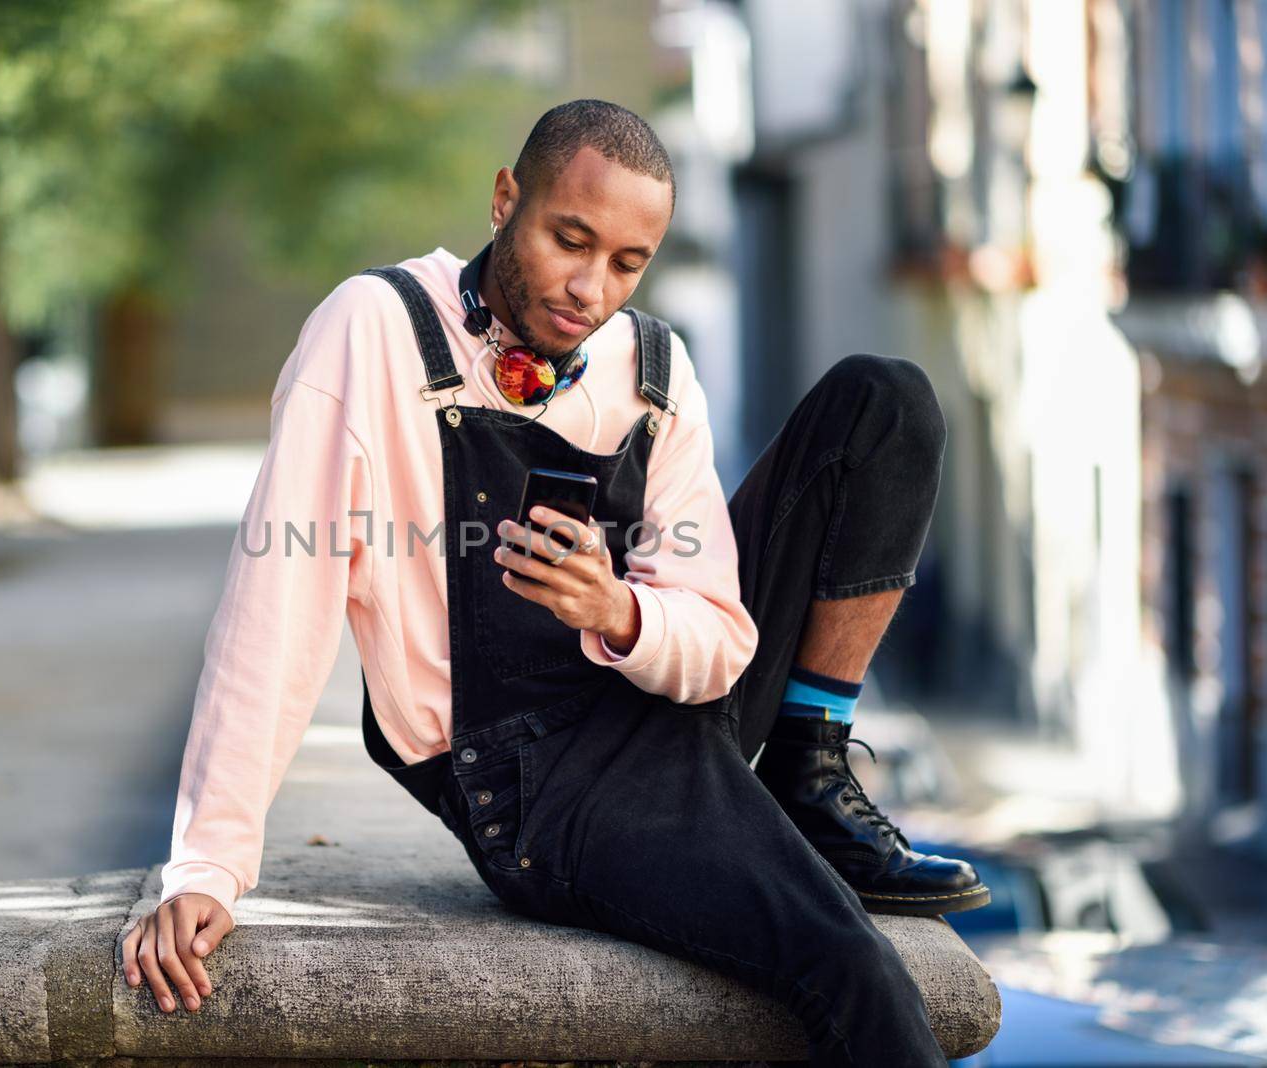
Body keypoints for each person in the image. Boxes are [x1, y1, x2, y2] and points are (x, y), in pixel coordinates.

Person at [121, 98, 988, 1065]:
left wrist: (618, 611)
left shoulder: (654, 367)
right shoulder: (374, 331)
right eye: (569, 240)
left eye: (627, 263)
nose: (590, 289)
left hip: (669, 703)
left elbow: (718, 643)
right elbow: (275, 613)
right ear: (505, 201)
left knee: (884, 401)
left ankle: (806, 773)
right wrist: (207, 865)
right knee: (853, 968)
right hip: (534, 783)